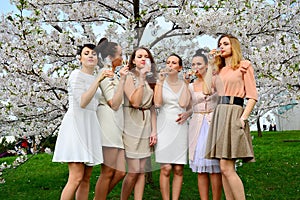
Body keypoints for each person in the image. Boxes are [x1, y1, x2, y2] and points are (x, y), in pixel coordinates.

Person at [52, 43, 114, 200]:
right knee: (76, 177)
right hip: (76, 126)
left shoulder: (94, 78)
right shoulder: (76, 75)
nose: (91, 56)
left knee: (86, 178)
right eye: (86, 53)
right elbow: (82, 102)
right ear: (80, 58)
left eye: (93, 53)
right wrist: (99, 79)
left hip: (90, 126)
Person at [205, 34, 258, 200]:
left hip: (234, 112)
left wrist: (243, 118)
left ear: (233, 46)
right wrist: (210, 65)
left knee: (227, 168)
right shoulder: (219, 70)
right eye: (220, 44)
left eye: (226, 44)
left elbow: (253, 96)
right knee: (223, 167)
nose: (222, 46)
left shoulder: (244, 66)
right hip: (220, 113)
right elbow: (207, 91)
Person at [93, 38, 129, 200]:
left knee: (121, 172)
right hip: (108, 125)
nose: (123, 58)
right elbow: (113, 103)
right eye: (120, 55)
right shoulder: (106, 74)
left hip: (117, 127)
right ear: (110, 57)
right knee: (107, 172)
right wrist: (122, 79)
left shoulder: (113, 74)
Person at [121, 47, 157, 200]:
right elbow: (135, 102)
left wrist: (154, 131)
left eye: (146, 56)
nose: (143, 58)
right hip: (131, 123)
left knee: (141, 169)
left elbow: (153, 107)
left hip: (146, 124)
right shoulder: (129, 77)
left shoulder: (151, 80)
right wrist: (141, 79)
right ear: (133, 60)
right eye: (139, 56)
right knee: (134, 170)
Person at [154, 54, 190, 200]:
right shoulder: (161, 83)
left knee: (178, 168)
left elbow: (183, 104)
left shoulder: (185, 84)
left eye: (174, 63)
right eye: (168, 62)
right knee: (166, 168)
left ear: (180, 67)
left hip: (180, 127)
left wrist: (186, 85)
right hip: (164, 126)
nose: (170, 65)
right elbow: (157, 103)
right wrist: (160, 82)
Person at [187, 50, 222, 200]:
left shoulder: (214, 80)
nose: (196, 67)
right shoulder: (190, 85)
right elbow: (187, 105)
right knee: (201, 169)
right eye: (193, 64)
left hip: (212, 123)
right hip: (197, 125)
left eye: (199, 64)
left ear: (207, 65)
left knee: (214, 168)